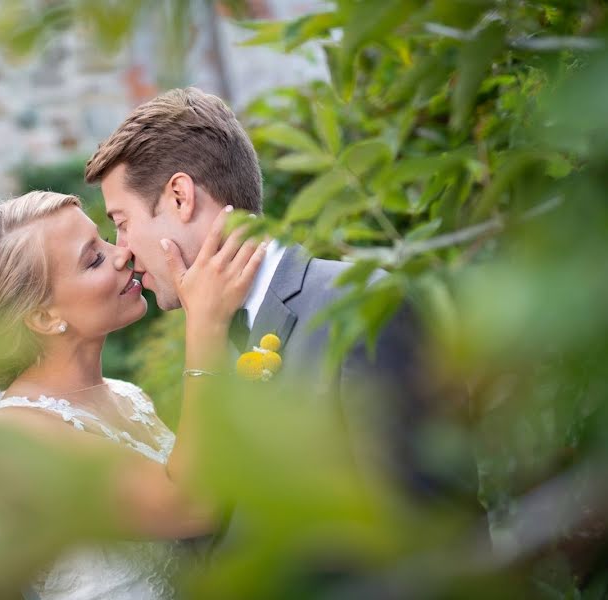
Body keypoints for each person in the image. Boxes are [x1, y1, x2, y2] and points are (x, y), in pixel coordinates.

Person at [85, 87, 453, 553]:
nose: (122, 251)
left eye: (122, 221)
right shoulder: (206, 344)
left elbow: (432, 537)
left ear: (180, 197)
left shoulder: (359, 307)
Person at [0, 190, 266, 599]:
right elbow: (191, 504)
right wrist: (205, 326)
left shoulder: (127, 396)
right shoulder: (16, 438)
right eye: (93, 258)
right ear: (44, 316)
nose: (123, 253)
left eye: (106, 237)